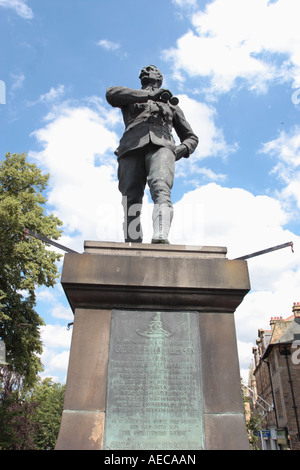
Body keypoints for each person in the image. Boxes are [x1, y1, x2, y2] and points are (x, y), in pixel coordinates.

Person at [106, 65, 198, 243]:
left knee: (160, 188)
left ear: (159, 77)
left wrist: (177, 151)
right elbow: (111, 94)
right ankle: (132, 241)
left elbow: (191, 137)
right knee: (131, 197)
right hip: (130, 148)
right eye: (144, 69)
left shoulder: (172, 106)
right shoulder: (131, 97)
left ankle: (160, 236)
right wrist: (148, 96)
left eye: (152, 69)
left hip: (162, 146)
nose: (146, 70)